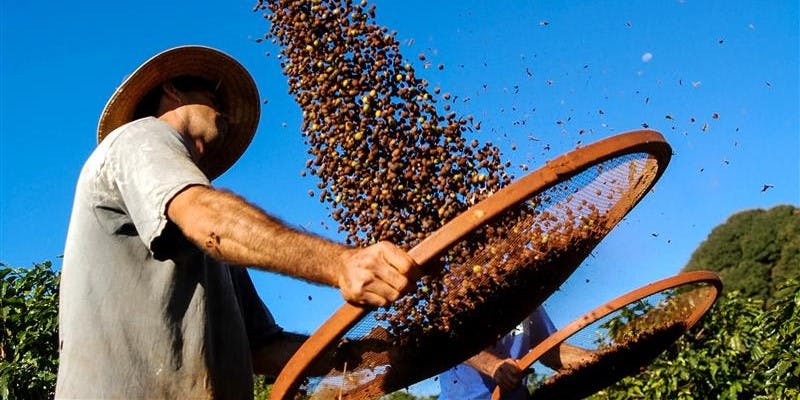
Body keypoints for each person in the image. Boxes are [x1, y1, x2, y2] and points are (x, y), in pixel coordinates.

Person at [55, 45, 417, 399]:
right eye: (217, 99)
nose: (226, 114)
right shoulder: (139, 138)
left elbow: (261, 348)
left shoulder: (213, 239)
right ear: (173, 91)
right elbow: (210, 220)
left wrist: (363, 355)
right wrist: (342, 263)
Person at [439, 306, 593, 400]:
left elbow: (551, 351)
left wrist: (595, 357)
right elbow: (453, 342)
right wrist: (494, 366)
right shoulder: (459, 299)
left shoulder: (527, 297)